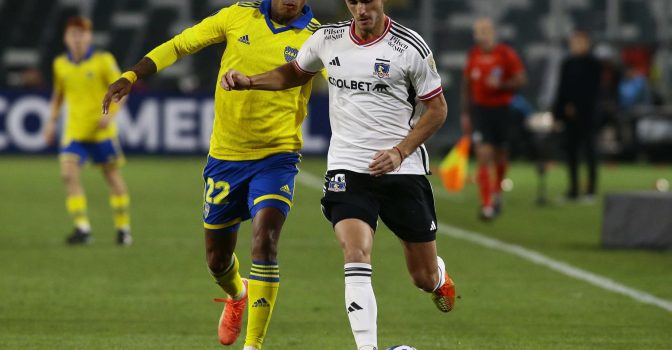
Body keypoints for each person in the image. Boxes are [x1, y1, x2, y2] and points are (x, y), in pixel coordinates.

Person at [218, 1, 456, 349]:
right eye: (353, 1)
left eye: (367, 0)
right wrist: (250, 81)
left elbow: (438, 110)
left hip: (402, 171)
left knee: (421, 277)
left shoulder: (410, 47)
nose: (361, 8)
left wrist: (399, 151)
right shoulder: (327, 38)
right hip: (348, 169)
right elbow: (295, 72)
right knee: (355, 254)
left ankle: (438, 277)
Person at [102, 1, 320, 348]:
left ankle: (254, 344)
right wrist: (132, 75)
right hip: (225, 157)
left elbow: (347, 82)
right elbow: (181, 44)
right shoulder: (237, 15)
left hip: (277, 156)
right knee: (218, 260)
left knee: (265, 239)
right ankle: (237, 294)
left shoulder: (316, 36)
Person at [44, 16, 132, 246]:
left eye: (81, 34)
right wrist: (51, 122)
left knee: (112, 177)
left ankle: (123, 228)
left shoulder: (103, 61)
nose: (77, 39)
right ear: (66, 38)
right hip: (74, 132)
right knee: (68, 174)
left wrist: (110, 116)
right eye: (73, 34)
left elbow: (122, 90)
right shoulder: (60, 65)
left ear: (89, 36)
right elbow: (59, 94)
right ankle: (82, 228)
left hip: (100, 132)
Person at [461, 17, 526, 221]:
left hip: (502, 109)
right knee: (483, 153)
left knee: (500, 154)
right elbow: (466, 86)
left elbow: (522, 80)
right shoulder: (473, 55)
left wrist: (501, 85)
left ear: (493, 33)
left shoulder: (506, 54)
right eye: (478, 31)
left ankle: (497, 190)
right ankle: (486, 204)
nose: (482, 35)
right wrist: (465, 113)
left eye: (485, 31)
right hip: (481, 111)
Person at [553, 31, 602, 201]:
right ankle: (573, 190)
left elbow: (593, 91)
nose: (577, 45)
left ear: (587, 43)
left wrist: (578, 107)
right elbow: (562, 89)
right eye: (574, 42)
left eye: (581, 42)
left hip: (587, 115)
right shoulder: (567, 63)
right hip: (568, 116)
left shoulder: (594, 64)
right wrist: (560, 111)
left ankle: (591, 190)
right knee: (571, 152)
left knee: (589, 152)